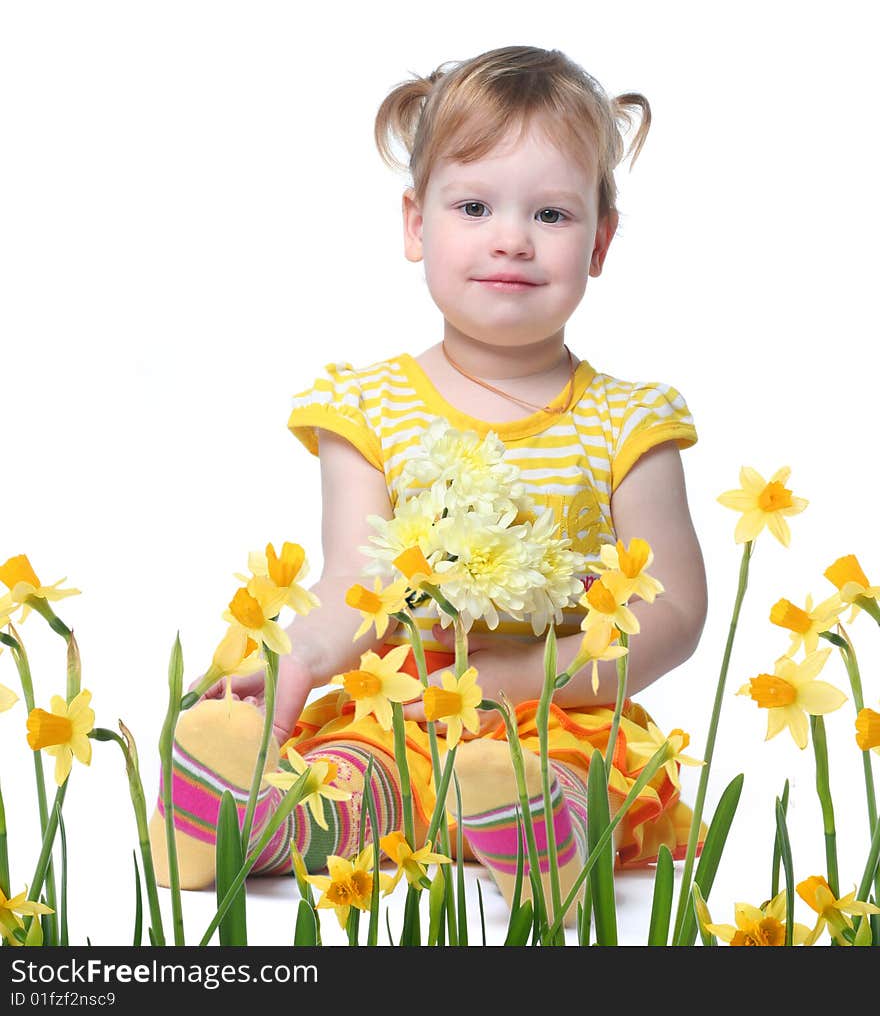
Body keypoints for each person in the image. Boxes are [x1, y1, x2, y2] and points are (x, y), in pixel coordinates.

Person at [149, 45, 709, 924]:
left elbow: (675, 614)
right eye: (475, 205)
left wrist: (528, 677)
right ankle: (239, 822)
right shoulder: (366, 406)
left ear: (599, 242)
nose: (511, 238)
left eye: (553, 213)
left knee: (579, 781)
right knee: (355, 783)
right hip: (405, 707)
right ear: (416, 225)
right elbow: (357, 585)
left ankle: (535, 830)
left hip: (564, 708)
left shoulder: (628, 420)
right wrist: (298, 661)